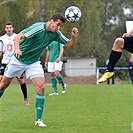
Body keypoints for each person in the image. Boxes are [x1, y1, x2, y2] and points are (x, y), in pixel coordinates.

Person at [0, 14, 78, 127]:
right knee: (3, 85)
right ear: (51, 21)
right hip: (18, 60)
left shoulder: (55, 34)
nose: (58, 28)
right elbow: (17, 37)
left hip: (33, 62)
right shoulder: (38, 28)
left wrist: (74, 37)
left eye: (60, 26)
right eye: (57, 25)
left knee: (41, 87)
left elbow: (69, 45)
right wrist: (17, 49)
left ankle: (38, 120)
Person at [0, 22, 29, 106]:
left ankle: (25, 98)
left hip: (15, 62)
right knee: (1, 79)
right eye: (7, 27)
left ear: (12, 28)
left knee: (21, 80)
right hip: (5, 62)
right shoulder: (2, 38)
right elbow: (1, 52)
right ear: (5, 29)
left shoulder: (17, 37)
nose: (9, 29)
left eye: (10, 27)